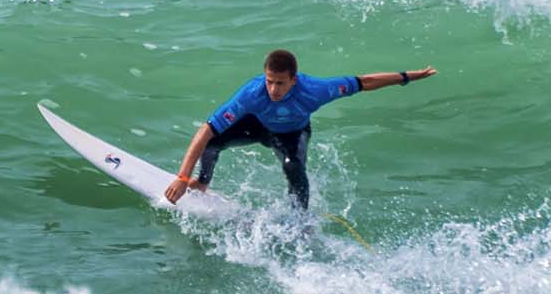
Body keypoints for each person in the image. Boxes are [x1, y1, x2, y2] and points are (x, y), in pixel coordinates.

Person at [163, 49, 437, 208]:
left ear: (294, 80)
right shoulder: (252, 93)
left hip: (293, 133)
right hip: (257, 125)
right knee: (213, 142)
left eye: (280, 83)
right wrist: (182, 178)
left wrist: (407, 77)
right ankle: (202, 183)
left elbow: (364, 82)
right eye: (270, 81)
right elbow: (206, 130)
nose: (273, 89)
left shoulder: (316, 90)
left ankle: (300, 220)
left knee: (293, 166)